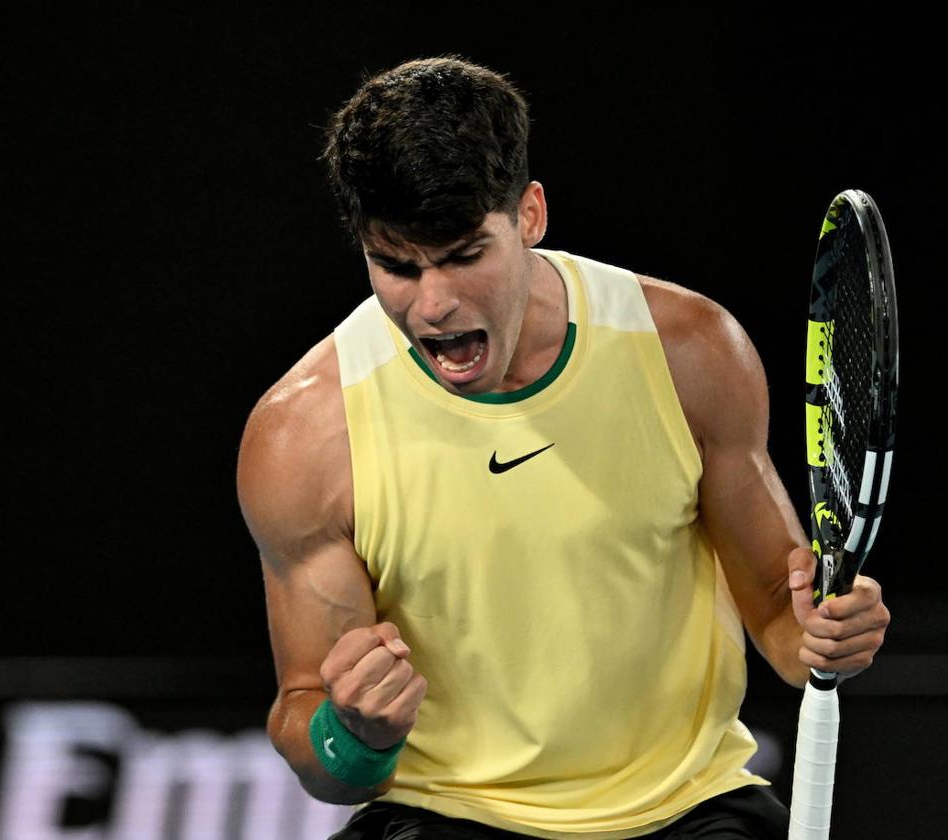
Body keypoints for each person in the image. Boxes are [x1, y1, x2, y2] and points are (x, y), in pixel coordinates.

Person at [236, 56, 890, 840]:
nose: (434, 305)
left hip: (685, 811)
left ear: (530, 214)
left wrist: (829, 635)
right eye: (397, 266)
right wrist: (358, 737)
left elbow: (781, 619)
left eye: (465, 254)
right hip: (451, 816)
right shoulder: (304, 436)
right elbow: (313, 731)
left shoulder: (687, 351)